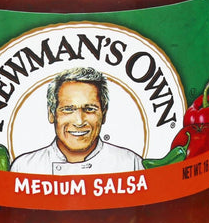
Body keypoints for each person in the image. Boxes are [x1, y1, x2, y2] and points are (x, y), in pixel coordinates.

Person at [10, 66, 144, 175]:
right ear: (51, 114)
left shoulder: (130, 164)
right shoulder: (25, 168)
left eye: (90, 109)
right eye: (68, 109)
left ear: (104, 114)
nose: (79, 122)